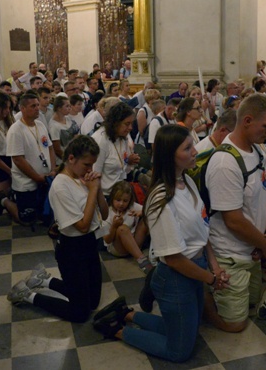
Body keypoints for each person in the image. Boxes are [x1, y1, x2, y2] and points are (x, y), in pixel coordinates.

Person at [93, 125, 229, 362]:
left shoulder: (187, 181)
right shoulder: (161, 198)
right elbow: (175, 258)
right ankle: (116, 329)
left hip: (195, 269)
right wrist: (211, 279)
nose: (195, 151)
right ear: (169, 155)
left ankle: (127, 314)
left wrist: (215, 267)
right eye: (188, 148)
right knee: (179, 351)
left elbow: (202, 229)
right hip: (176, 277)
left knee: (187, 327)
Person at [7, 136, 108, 323]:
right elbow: (83, 226)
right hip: (72, 249)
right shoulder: (61, 186)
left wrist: (98, 188)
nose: (90, 170)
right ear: (71, 159)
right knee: (80, 313)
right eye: (87, 164)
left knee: (93, 303)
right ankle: (28, 295)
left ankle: (44, 281)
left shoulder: (83, 179)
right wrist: (92, 190)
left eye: (93, 165)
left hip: (90, 244)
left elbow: (105, 213)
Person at [202, 93, 266, 333]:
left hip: (251, 247)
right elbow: (233, 221)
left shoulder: (259, 152)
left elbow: (261, 194)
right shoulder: (225, 162)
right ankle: (199, 294)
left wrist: (264, 235)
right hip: (229, 253)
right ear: (246, 120)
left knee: (254, 302)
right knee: (235, 324)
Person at [0, 92, 56, 226]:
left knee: (43, 214)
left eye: (37, 105)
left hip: (45, 178)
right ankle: (4, 201)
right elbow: (18, 159)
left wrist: (52, 170)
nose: (37, 108)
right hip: (27, 182)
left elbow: (50, 148)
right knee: (26, 218)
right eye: (32, 106)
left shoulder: (40, 125)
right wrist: (36, 177)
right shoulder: (16, 130)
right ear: (22, 109)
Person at [101, 181, 153, 273]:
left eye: (125, 201)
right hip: (117, 249)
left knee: (147, 217)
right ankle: (142, 260)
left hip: (134, 243)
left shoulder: (132, 207)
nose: (121, 204)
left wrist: (142, 213)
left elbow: (153, 210)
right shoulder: (107, 213)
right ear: (112, 198)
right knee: (122, 229)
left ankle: (156, 249)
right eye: (118, 200)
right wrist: (114, 226)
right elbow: (107, 240)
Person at [92, 102, 139, 196]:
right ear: (115, 123)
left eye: (131, 124)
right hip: (105, 195)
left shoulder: (122, 135)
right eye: (127, 124)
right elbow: (94, 175)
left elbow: (122, 166)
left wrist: (128, 161)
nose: (130, 128)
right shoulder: (101, 140)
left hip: (121, 190)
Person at [49, 95, 80, 165]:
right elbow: (57, 149)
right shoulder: (54, 126)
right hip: (62, 161)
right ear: (59, 108)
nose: (70, 108)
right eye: (67, 106)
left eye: (70, 106)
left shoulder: (68, 118)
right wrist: (68, 160)